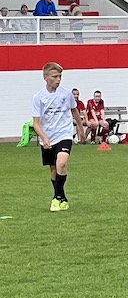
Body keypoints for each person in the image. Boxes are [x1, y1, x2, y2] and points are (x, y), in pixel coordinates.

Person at [31, 62, 85, 211]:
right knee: (54, 169)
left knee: (61, 163)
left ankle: (56, 198)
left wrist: (80, 129)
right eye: (54, 76)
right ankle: (62, 197)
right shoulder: (38, 97)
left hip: (64, 134)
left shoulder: (66, 94)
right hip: (48, 137)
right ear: (45, 77)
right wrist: (44, 137)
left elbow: (74, 111)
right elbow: (35, 123)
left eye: (60, 76)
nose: (58, 80)